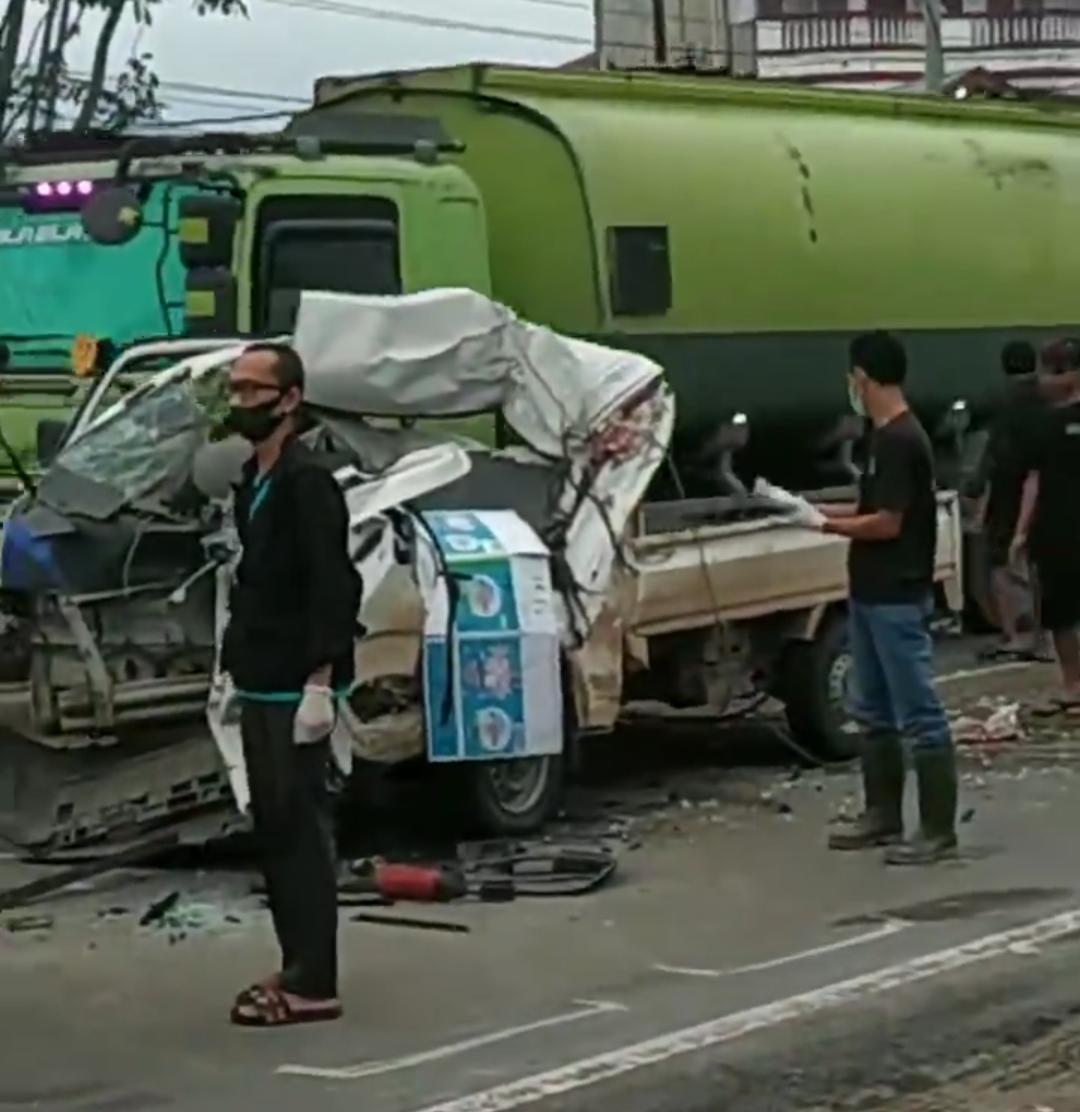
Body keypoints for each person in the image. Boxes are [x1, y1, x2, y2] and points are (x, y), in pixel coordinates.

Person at [221, 342, 361, 1027]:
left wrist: (321, 682)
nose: (242, 402)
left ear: (290, 399)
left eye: (255, 391)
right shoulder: (254, 479)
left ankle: (314, 982)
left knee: (302, 834)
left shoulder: (310, 484)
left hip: (295, 688)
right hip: (260, 678)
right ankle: (297, 958)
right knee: (274, 830)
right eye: (236, 390)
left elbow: (334, 587)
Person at [822, 331, 958, 865]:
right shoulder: (882, 437)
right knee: (872, 709)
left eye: (852, 375)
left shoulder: (902, 440)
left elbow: (888, 523)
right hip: (871, 593)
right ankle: (882, 814)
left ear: (864, 376)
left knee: (919, 711)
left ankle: (936, 829)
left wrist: (825, 524)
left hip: (897, 596)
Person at [1010, 338, 1080, 717]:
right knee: (1059, 612)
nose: (1044, 380)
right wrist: (1022, 531)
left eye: (1054, 371)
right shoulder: (1044, 425)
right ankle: (1073, 683)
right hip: (1054, 529)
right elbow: (1033, 480)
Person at [974, 340, 1045, 661]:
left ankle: (1016, 634)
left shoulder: (1000, 402)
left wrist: (977, 492)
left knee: (1002, 564)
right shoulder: (1050, 397)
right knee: (1039, 564)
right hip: (1050, 490)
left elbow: (992, 456)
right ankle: (1044, 634)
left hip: (1008, 492)